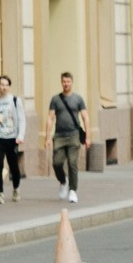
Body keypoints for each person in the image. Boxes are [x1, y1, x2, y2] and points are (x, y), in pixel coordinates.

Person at [42, 72, 88, 204]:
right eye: (64, 82)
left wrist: (88, 137)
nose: (66, 84)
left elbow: (85, 117)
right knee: (57, 163)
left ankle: (73, 190)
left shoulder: (78, 99)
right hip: (59, 136)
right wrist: (47, 137)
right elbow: (50, 118)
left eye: (68, 82)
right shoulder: (55, 99)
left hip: (74, 135)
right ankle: (63, 181)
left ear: (72, 82)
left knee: (72, 163)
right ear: (61, 82)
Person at [0, 75, 26, 203]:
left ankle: (16, 189)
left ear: (9, 86)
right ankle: (0, 194)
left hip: (12, 138)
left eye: (6, 85)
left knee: (13, 165)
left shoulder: (14, 100)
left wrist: (20, 136)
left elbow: (21, 119)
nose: (4, 87)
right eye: (2, 84)